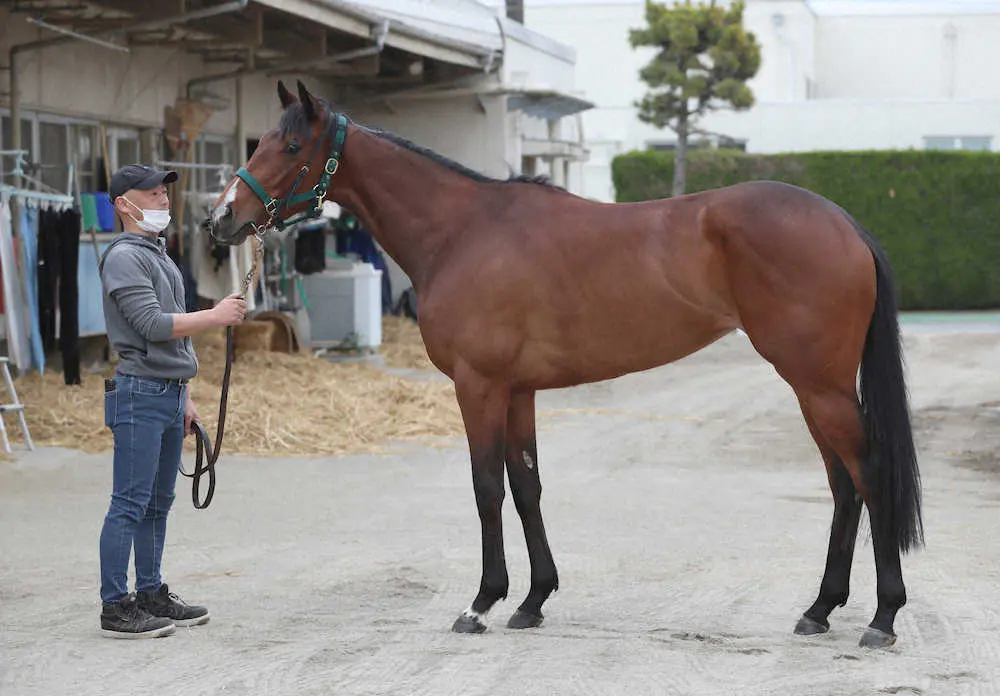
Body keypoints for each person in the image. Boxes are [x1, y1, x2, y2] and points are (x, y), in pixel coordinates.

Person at [97, 164, 246, 639]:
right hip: (139, 393)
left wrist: (186, 395)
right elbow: (152, 325)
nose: (164, 201)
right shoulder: (124, 257)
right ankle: (115, 606)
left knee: (158, 502)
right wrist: (217, 315)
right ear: (125, 204)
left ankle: (151, 591)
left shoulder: (157, 254)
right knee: (130, 503)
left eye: (164, 193)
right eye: (153, 194)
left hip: (165, 393)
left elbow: (173, 338)